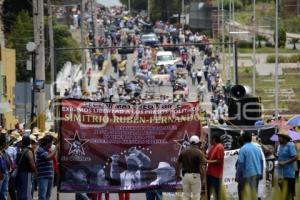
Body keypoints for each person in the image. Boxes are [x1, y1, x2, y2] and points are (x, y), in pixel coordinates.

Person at [175, 135, 206, 200]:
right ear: (197, 143)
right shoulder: (199, 153)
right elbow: (201, 167)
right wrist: (203, 178)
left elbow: (177, 162)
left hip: (185, 176)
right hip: (195, 176)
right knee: (196, 196)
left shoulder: (184, 151)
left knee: (186, 196)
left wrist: (177, 174)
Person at [236, 132, 263, 200]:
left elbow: (240, 164)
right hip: (257, 174)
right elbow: (261, 161)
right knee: (253, 194)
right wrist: (261, 173)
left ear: (243, 139)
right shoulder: (257, 148)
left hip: (248, 175)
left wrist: (237, 176)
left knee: (244, 194)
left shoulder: (243, 149)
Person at [36, 135, 59, 200]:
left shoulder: (48, 150)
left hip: (50, 176)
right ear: (47, 142)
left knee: (48, 195)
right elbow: (48, 157)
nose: (52, 144)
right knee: (42, 195)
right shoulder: (40, 150)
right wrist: (56, 148)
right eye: (51, 142)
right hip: (43, 176)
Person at [276, 131, 297, 200]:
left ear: (284, 138)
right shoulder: (280, 146)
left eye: (279, 137)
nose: (278, 139)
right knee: (283, 191)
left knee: (290, 192)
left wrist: (285, 162)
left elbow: (295, 157)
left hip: (289, 173)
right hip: (281, 172)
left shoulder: (290, 145)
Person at [16, 135, 37, 200]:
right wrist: (35, 171)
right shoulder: (29, 151)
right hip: (27, 173)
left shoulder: (19, 151)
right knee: (27, 191)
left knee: (20, 190)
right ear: (29, 142)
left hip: (19, 173)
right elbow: (32, 163)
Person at [206, 134, 224, 200]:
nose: (209, 141)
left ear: (214, 139)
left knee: (216, 194)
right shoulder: (212, 147)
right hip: (209, 174)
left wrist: (207, 161)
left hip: (216, 175)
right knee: (208, 193)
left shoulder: (220, 147)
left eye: (210, 139)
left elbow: (219, 161)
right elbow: (207, 157)